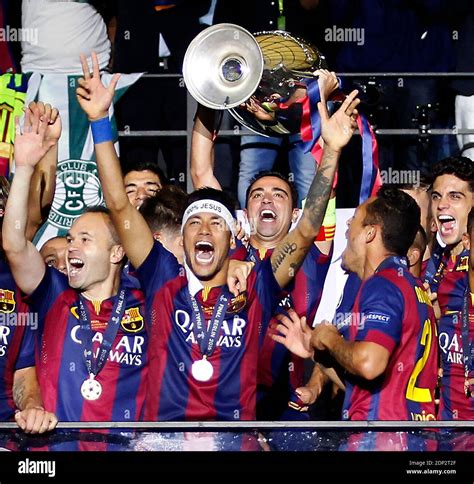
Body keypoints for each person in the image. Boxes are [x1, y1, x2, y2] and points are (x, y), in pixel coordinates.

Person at [76, 52, 359, 420]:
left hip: (234, 443)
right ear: (183, 236)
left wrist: (332, 150)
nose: (205, 229)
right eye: (195, 222)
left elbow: (306, 228)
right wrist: (100, 121)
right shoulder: (162, 275)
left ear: (233, 237)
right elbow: (118, 204)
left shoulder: (258, 285)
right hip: (166, 443)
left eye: (216, 223)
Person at [4, 106, 151, 422]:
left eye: (85, 239)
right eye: (71, 239)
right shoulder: (54, 294)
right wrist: (25, 167)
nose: (72, 248)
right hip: (57, 452)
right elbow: (15, 245)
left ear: (116, 253)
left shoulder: (148, 300)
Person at [272, 186, 438, 420]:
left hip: (382, 441)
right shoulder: (411, 286)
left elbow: (369, 364)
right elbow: (366, 387)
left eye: (356, 219)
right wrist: (316, 350)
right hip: (408, 435)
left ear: (370, 233)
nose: (348, 225)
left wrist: (328, 337)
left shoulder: (384, 284)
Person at [429, 157, 474, 419]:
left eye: (454, 196)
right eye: (436, 196)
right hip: (443, 422)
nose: (441, 205)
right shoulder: (436, 261)